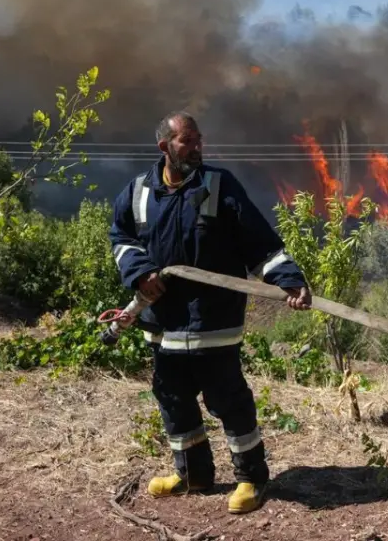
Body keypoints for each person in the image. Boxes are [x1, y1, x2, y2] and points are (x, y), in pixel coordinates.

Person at [108, 110, 312, 515]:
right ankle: (193, 475)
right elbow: (122, 238)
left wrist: (288, 279)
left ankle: (251, 478)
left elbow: (260, 243)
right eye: (189, 141)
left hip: (212, 322)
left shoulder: (219, 186)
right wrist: (140, 272)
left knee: (229, 400)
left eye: (200, 139)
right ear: (164, 146)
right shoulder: (137, 193)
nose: (198, 147)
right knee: (173, 400)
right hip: (162, 322)